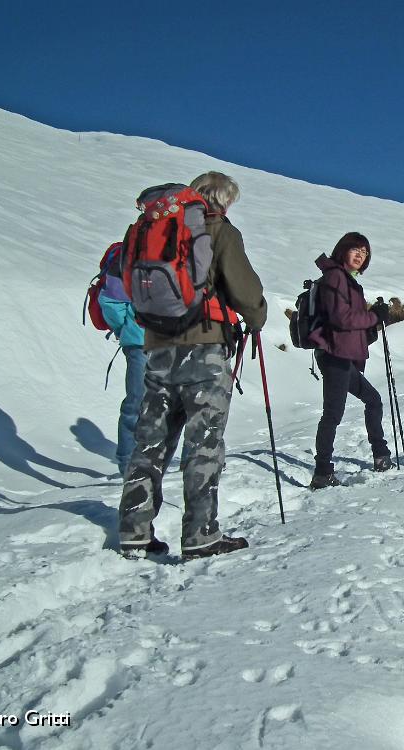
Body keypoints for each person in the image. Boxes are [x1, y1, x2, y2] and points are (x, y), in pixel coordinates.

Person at [118, 172, 267, 559]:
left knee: (150, 442)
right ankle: (201, 533)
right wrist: (257, 316)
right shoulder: (219, 231)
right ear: (224, 200)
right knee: (204, 444)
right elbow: (247, 293)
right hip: (205, 349)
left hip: (158, 348)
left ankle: (134, 530)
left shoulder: (156, 227)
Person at [308, 232, 392, 489]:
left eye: (365, 252)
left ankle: (381, 455)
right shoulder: (335, 277)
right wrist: (373, 318)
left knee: (373, 400)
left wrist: (369, 323)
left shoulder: (349, 280)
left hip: (344, 355)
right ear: (343, 250)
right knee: (333, 414)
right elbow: (341, 319)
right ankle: (322, 472)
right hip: (334, 356)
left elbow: (350, 320)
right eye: (355, 249)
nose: (360, 255)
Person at [97, 245, 146, 476]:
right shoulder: (130, 255)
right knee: (147, 404)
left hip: (138, 340)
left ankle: (129, 463)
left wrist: (125, 328)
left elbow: (111, 303)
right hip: (162, 341)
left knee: (136, 403)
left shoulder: (128, 252)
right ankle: (131, 464)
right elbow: (111, 301)